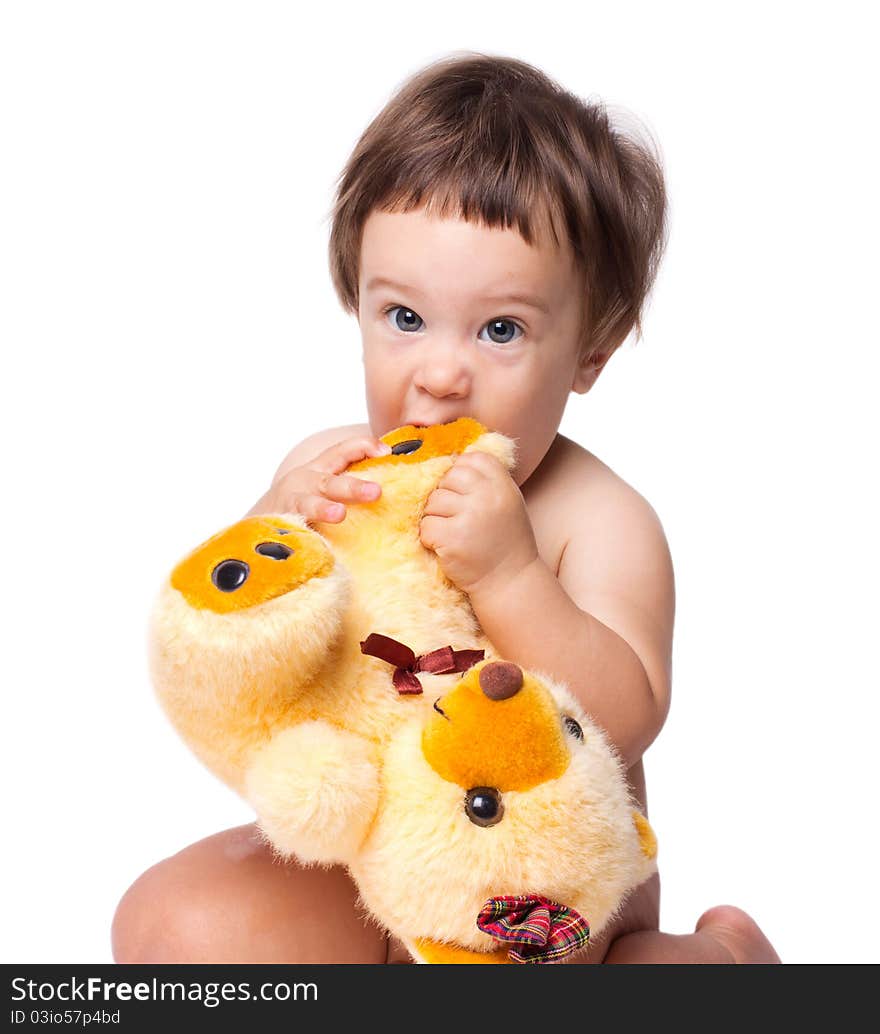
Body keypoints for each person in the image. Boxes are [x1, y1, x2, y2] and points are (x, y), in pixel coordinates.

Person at [113, 52, 780, 964]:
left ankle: (720, 961)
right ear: (356, 299)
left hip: (537, 895)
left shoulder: (600, 516)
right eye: (404, 317)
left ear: (591, 350)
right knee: (170, 921)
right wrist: (275, 524)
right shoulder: (330, 471)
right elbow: (238, 660)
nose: (438, 371)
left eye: (500, 329)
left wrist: (510, 574)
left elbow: (627, 717)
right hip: (367, 860)